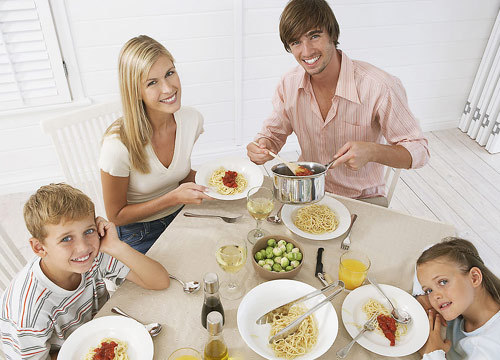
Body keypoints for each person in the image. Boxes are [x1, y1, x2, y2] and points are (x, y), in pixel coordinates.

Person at [246, 0, 430, 200]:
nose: (306, 51)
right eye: (296, 42)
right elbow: (272, 136)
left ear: (332, 35)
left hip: (362, 197)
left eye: (314, 36)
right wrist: (263, 145)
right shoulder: (288, 84)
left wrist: (373, 151)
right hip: (306, 188)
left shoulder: (380, 86)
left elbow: (419, 150)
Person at [0, 183, 170, 360]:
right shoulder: (30, 313)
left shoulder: (93, 256)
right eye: (66, 239)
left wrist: (116, 246)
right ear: (39, 247)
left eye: (89, 231)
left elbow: (159, 281)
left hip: (98, 329)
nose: (83, 247)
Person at [99, 35, 212, 254]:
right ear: (135, 91)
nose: (169, 88)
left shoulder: (191, 120)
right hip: (139, 231)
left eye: (170, 73)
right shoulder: (117, 145)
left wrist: (220, 181)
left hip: (182, 213)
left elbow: (177, 175)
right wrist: (172, 197)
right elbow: (116, 215)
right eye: (152, 83)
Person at [415, 237, 500, 359]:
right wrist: (422, 297)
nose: (435, 296)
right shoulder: (458, 307)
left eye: (443, 282)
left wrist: (432, 353)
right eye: (429, 290)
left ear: (474, 278)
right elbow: (428, 249)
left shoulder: (491, 346)